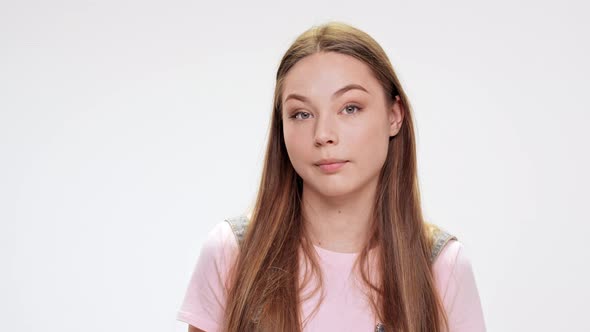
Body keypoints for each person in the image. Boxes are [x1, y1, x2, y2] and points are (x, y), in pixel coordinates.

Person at [176, 21, 486, 332]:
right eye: (301, 114)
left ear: (394, 116)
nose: (323, 135)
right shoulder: (232, 252)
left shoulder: (441, 266)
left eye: (350, 108)